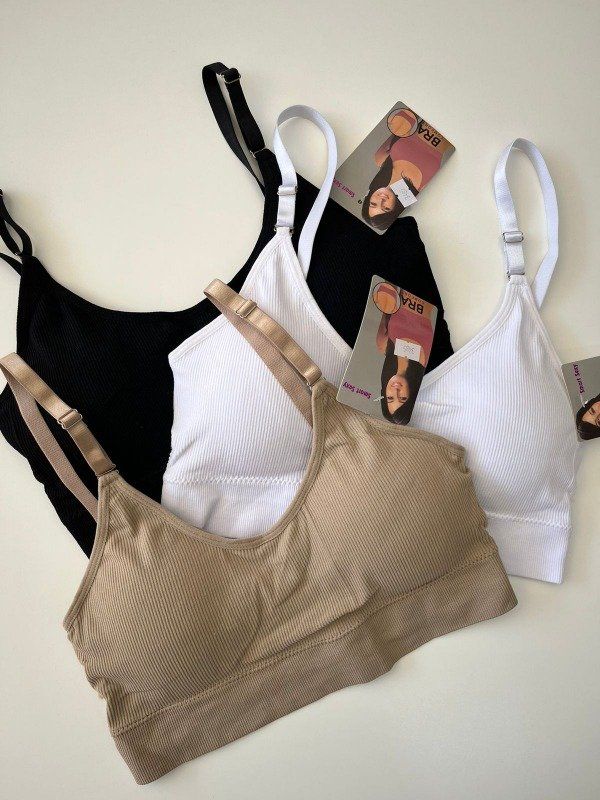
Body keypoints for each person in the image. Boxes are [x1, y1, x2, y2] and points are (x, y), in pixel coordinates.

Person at [376, 290, 435, 424]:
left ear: (384, 393)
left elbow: (387, 293)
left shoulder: (383, 344)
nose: (396, 391)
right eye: (402, 398)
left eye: (390, 398)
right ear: (411, 394)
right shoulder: (426, 360)